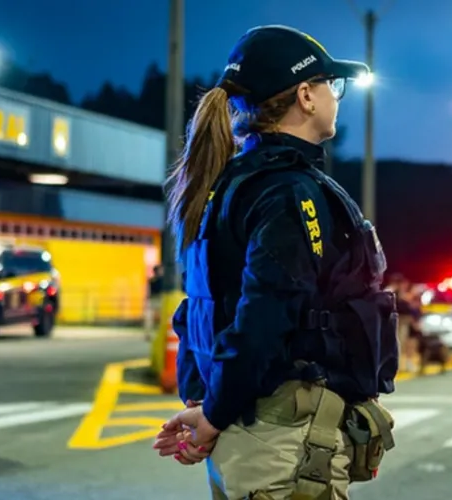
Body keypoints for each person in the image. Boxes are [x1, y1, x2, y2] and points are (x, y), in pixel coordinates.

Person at [152, 25, 399, 500]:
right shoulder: (286, 191)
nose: (336, 96)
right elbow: (265, 315)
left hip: (250, 434)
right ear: (306, 95)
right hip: (282, 439)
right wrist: (215, 414)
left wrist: (209, 406)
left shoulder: (225, 185)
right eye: (332, 84)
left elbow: (203, 307)